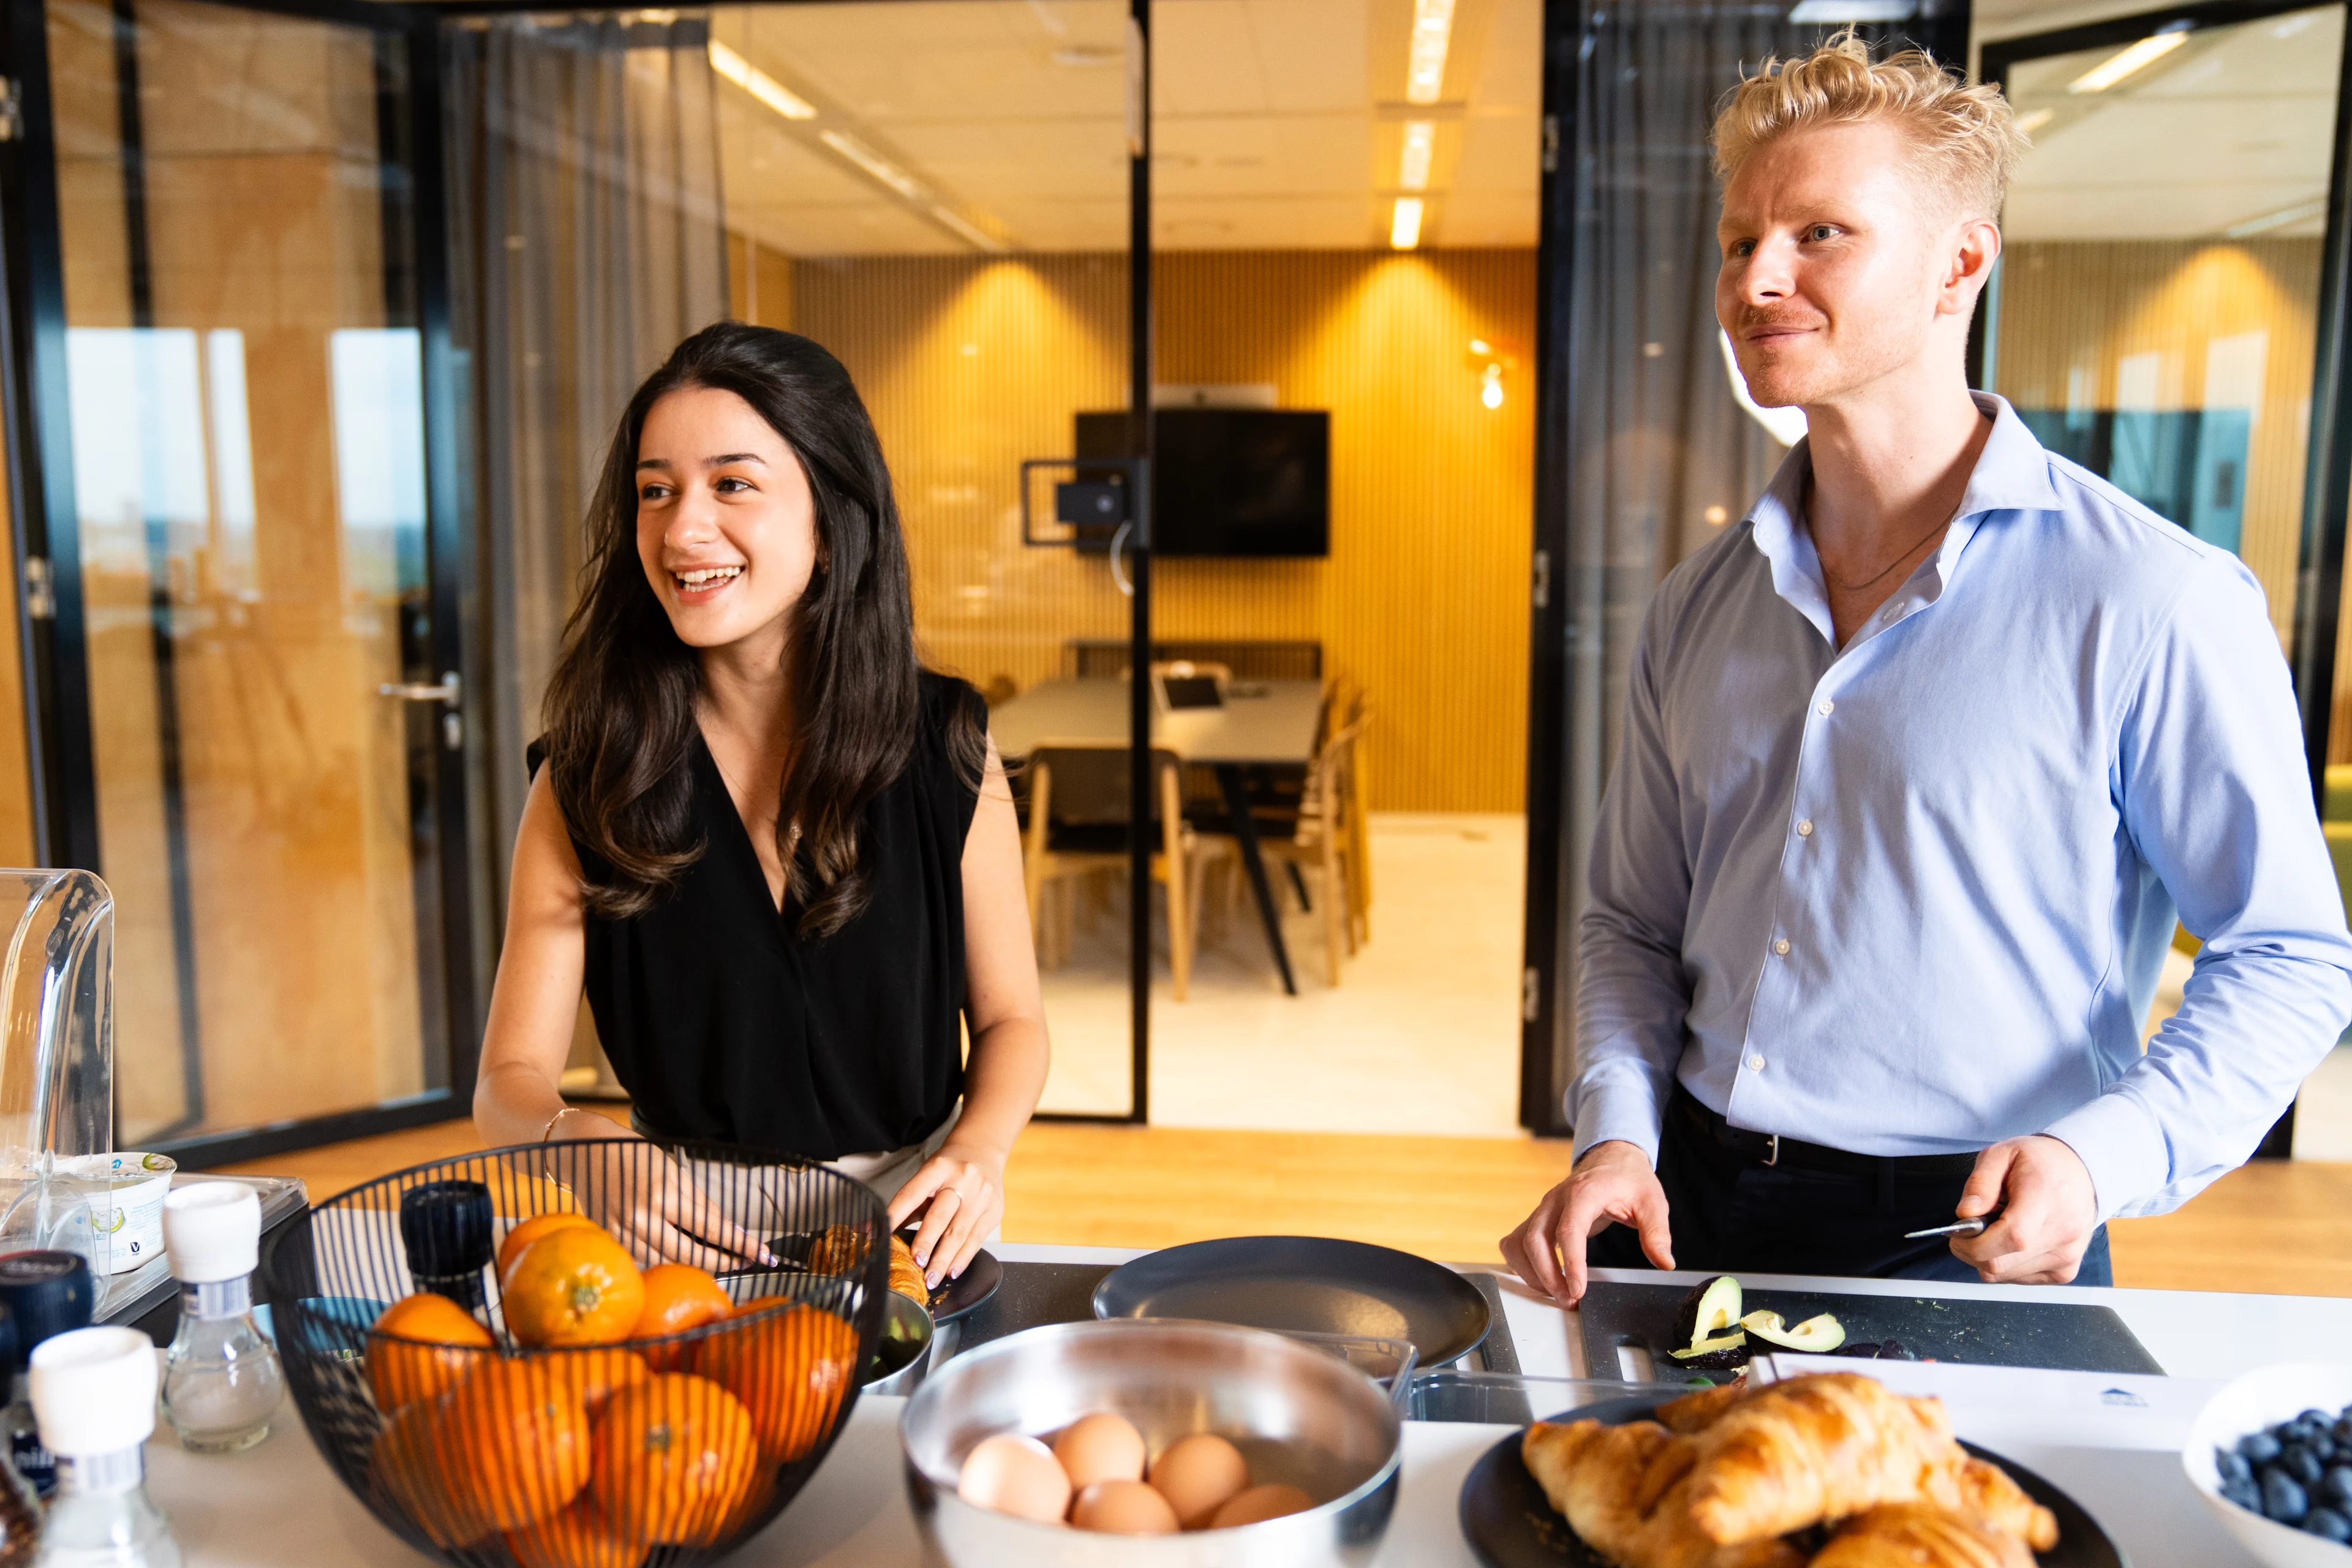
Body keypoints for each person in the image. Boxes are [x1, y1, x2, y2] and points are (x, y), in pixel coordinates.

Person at [1501, 36, 2352, 1304]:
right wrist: (1617, 1129)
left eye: (1820, 234)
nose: (1756, 280)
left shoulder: (2151, 597)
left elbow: (2286, 951)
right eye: (1740, 243)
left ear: (1962, 260)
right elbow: (1632, 922)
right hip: (1687, 1204)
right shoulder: (1697, 605)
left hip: (1970, 1232)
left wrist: (2100, 1154)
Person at [475, 321, 1049, 1291]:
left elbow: (1012, 1023)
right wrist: (577, 1137)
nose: (682, 527)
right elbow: (507, 1083)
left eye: (732, 484)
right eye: (656, 490)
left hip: (911, 1230)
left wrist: (981, 1151)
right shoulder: (586, 775)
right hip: (674, 1247)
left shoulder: (945, 743)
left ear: (831, 518)